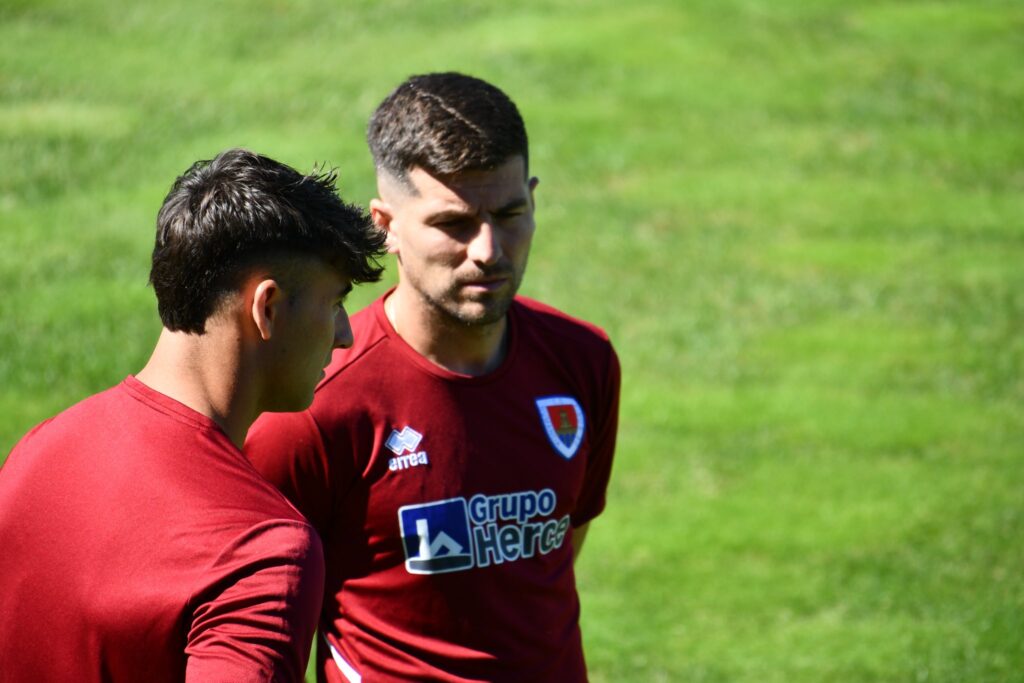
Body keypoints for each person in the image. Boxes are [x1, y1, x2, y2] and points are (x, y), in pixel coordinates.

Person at [245, 73, 621, 682]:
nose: (488, 250)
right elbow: (261, 623)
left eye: (510, 213)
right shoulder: (315, 404)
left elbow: (557, 552)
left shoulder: (582, 361)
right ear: (385, 225)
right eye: (455, 224)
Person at [0, 148, 386, 681]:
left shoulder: (38, 451)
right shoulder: (261, 556)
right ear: (266, 308)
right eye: (336, 303)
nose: (345, 336)